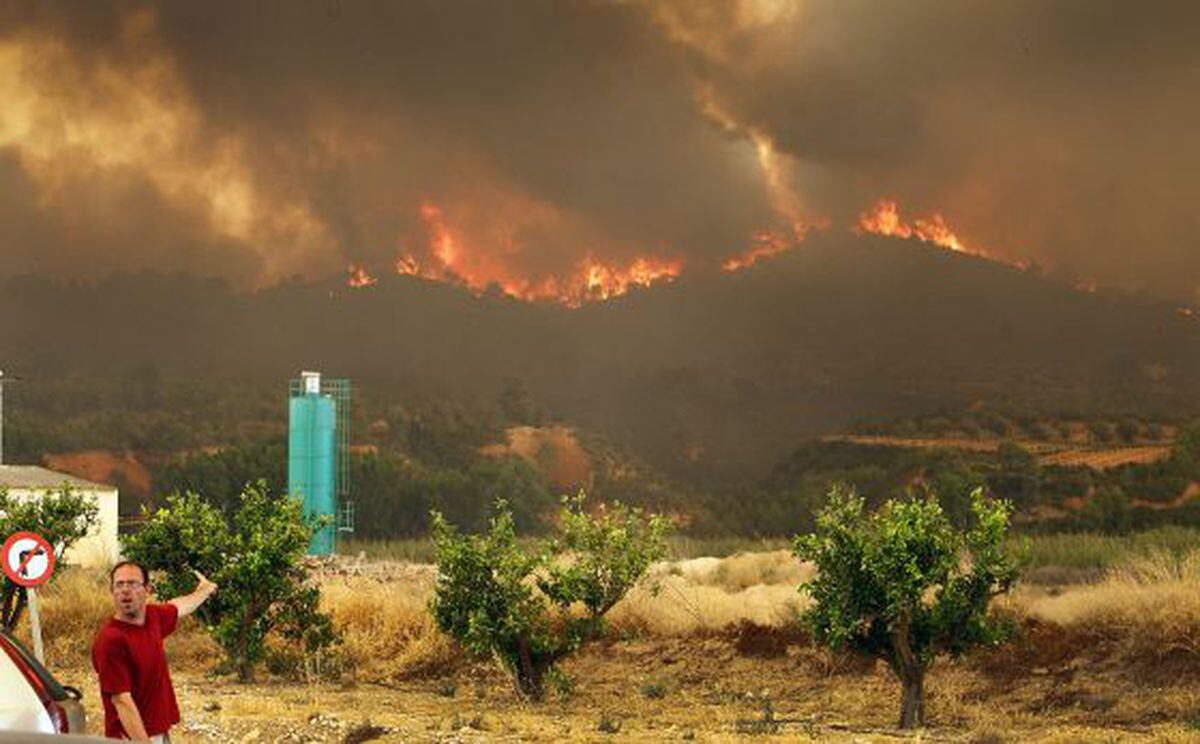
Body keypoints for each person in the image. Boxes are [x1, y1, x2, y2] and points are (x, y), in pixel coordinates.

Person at [92, 560, 218, 742]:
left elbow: (178, 606)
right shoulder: (111, 640)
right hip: (131, 737)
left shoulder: (153, 617)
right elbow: (121, 701)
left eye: (133, 584)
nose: (125, 590)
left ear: (147, 590)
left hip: (158, 731)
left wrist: (204, 591)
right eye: (119, 584)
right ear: (112, 591)